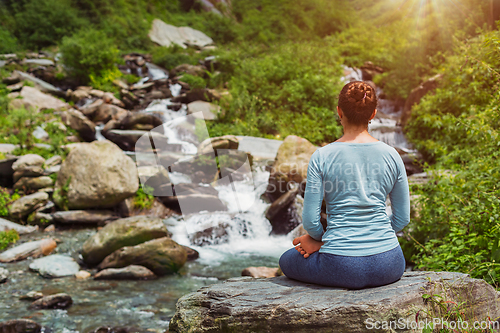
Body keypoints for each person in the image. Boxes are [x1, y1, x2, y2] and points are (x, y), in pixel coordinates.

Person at [278, 81, 410, 289]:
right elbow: (402, 218)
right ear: (373, 113)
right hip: (390, 264)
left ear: (339, 111)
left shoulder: (322, 156)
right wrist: (377, 234)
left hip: (340, 265)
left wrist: (320, 241)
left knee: (286, 261)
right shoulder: (392, 155)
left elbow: (311, 222)